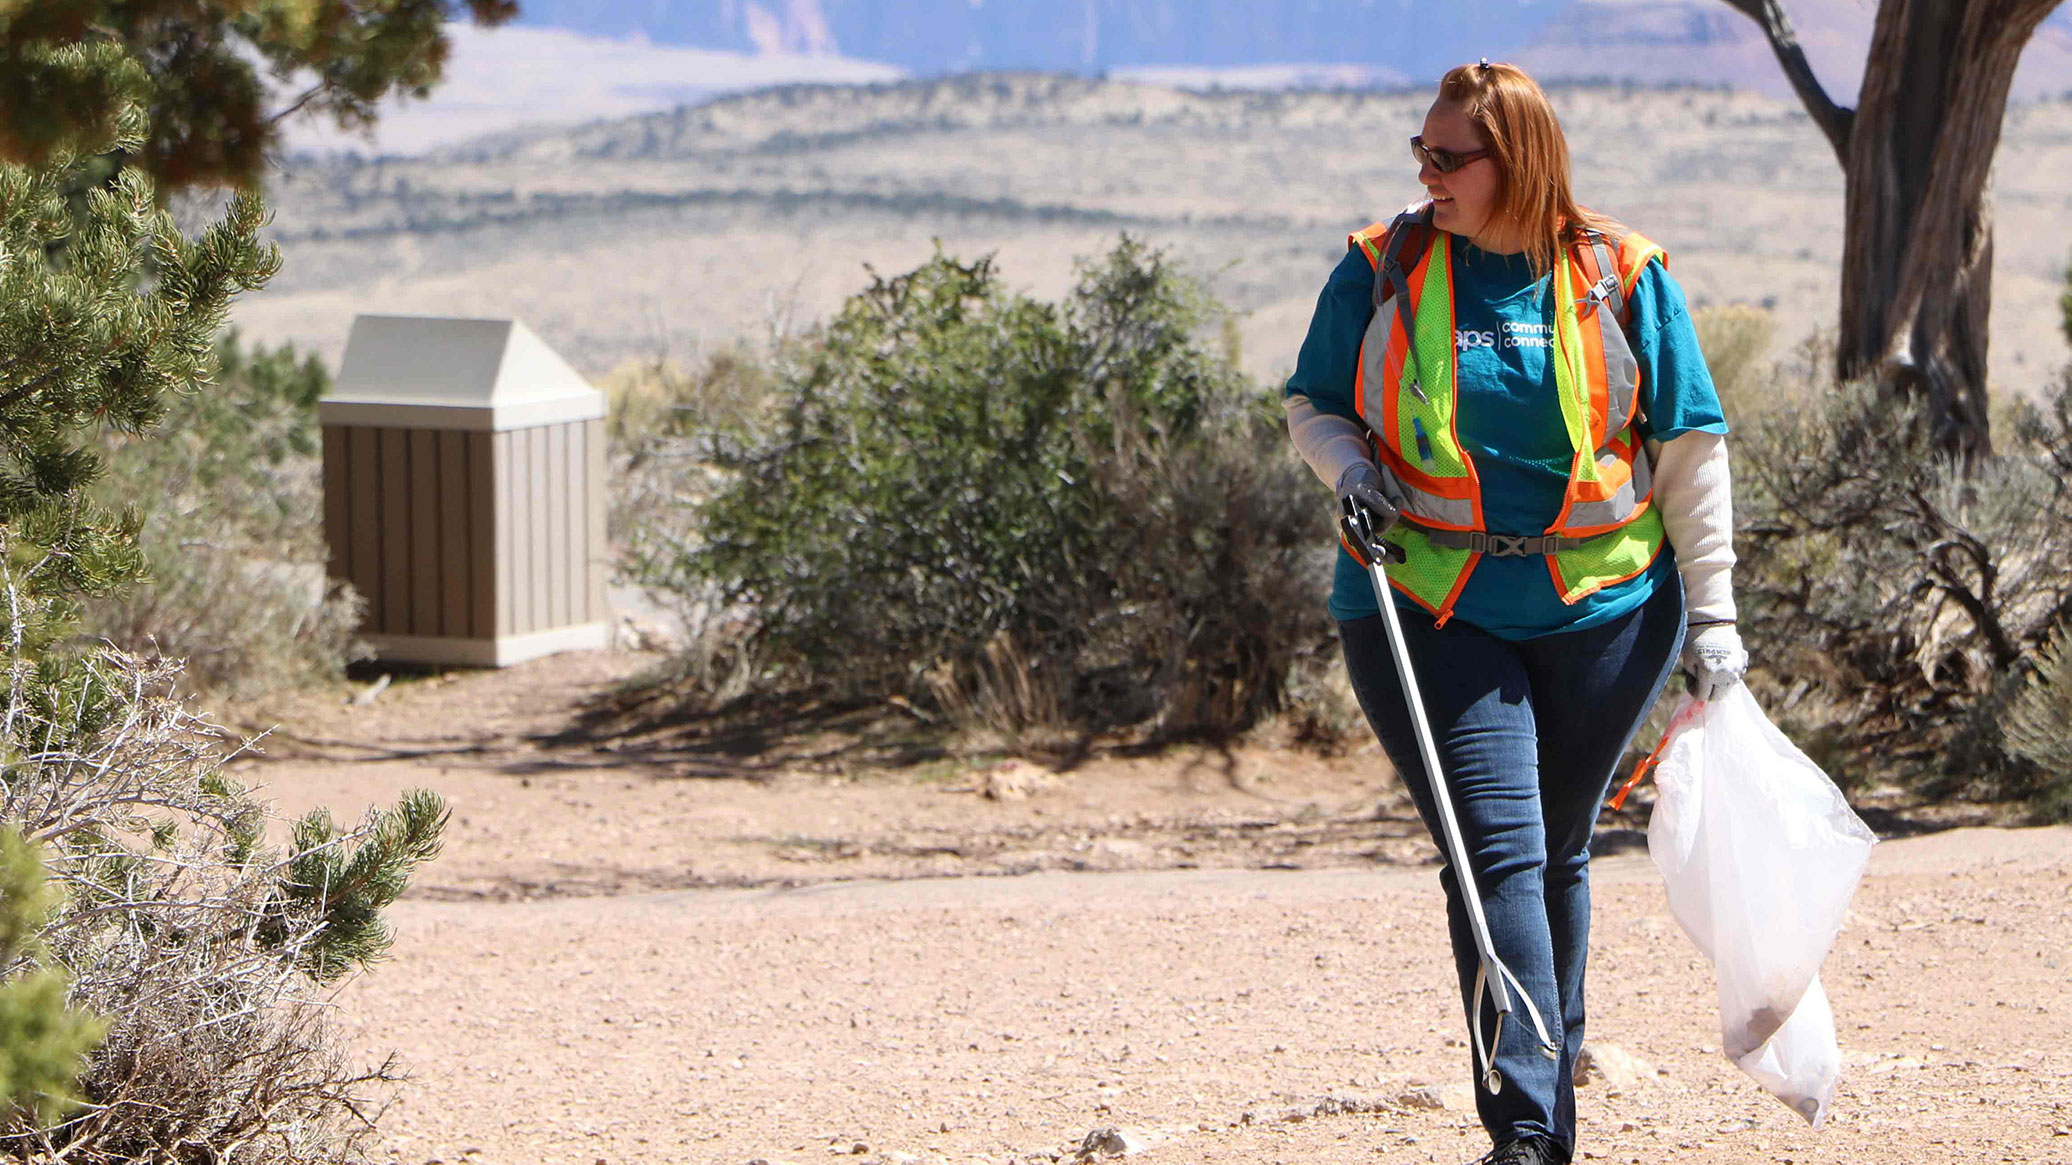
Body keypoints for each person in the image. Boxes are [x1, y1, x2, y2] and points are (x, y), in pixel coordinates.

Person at [1282, 61, 1746, 1165]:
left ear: (1518, 160)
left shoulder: (1620, 274)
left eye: (1449, 158)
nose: (1425, 174)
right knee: (1496, 853)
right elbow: (1312, 401)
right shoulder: (1380, 264)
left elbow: (1687, 451)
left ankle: (1547, 1085)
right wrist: (1344, 468)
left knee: (1556, 851)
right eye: (1420, 154)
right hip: (1428, 599)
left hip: (1606, 605)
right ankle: (1530, 1129)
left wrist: (1717, 622)